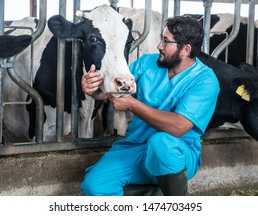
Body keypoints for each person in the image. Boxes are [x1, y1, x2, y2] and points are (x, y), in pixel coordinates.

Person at [80, 15, 220, 196]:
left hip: (177, 154)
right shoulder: (147, 63)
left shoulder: (205, 81)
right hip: (135, 147)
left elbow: (179, 126)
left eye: (165, 41)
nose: (159, 46)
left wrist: (132, 104)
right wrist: (93, 90)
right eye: (161, 39)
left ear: (185, 49)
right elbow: (119, 91)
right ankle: (153, 193)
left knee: (161, 142)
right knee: (95, 186)